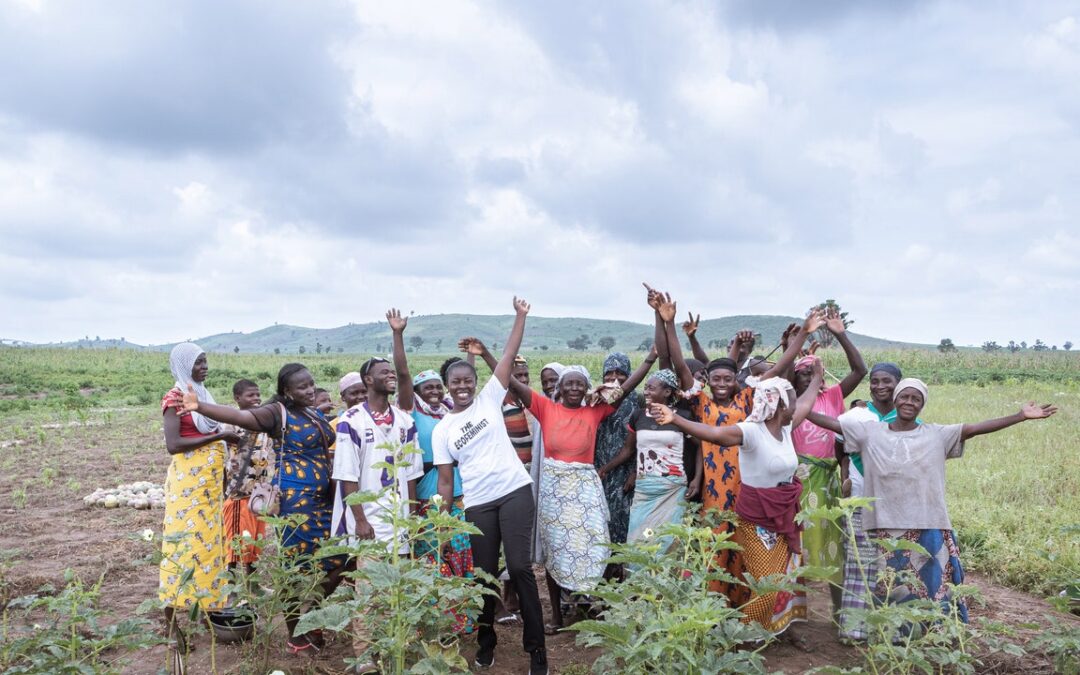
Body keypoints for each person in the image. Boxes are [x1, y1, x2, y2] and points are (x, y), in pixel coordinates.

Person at [807, 380, 1057, 628]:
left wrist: (1020, 416)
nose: (909, 402)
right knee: (891, 587)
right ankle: (894, 637)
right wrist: (800, 404)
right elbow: (829, 422)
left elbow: (975, 428)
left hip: (928, 523)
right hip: (885, 525)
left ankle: (928, 634)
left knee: (929, 586)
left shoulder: (937, 434)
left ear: (922, 405)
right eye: (905, 397)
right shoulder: (870, 433)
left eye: (916, 399)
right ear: (895, 400)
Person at [659, 290, 823, 602]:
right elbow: (680, 365)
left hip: (747, 486)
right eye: (716, 378)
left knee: (751, 549)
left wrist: (803, 332)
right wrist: (668, 324)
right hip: (716, 491)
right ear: (708, 379)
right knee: (718, 547)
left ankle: (752, 606)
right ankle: (717, 607)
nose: (721, 383)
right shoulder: (701, 403)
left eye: (728, 379)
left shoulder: (749, 401)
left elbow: (777, 370)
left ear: (737, 381)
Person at [650, 359, 825, 639]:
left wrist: (817, 377)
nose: (794, 404)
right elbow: (715, 435)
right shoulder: (751, 431)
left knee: (781, 579)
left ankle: (764, 633)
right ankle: (742, 638)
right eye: (789, 399)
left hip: (784, 514)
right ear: (776, 403)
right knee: (768, 583)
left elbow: (806, 402)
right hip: (757, 520)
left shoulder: (786, 429)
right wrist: (676, 419)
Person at [182, 362, 345, 655]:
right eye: (301, 387)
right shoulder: (276, 413)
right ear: (286, 391)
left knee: (341, 561)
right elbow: (241, 416)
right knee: (296, 572)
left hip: (324, 501)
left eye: (311, 384)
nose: (309, 390)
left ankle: (310, 618)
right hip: (297, 505)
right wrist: (201, 407)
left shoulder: (311, 411)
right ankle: (297, 635)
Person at [431, 297, 548, 675]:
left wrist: (519, 316)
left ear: (474, 382)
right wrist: (443, 522)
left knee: (519, 566)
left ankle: (537, 650)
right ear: (447, 386)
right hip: (478, 504)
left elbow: (509, 354)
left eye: (467, 381)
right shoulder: (443, 429)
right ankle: (486, 642)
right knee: (482, 574)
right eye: (455, 382)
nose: (462, 387)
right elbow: (446, 482)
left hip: (514, 490)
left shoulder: (489, 398)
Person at [506, 346, 655, 633]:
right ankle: (558, 616)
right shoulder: (544, 407)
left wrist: (649, 358)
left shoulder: (595, 411)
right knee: (554, 547)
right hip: (554, 490)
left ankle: (590, 604)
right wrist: (491, 354)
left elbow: (627, 387)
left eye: (579, 383)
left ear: (587, 388)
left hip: (585, 487)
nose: (573, 388)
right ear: (559, 388)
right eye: (568, 383)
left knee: (595, 543)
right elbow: (512, 382)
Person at [332, 309, 424, 671]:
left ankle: (395, 653)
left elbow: (413, 470)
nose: (391, 376)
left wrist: (414, 512)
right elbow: (346, 475)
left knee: (397, 592)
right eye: (382, 372)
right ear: (367, 379)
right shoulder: (351, 422)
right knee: (368, 594)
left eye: (391, 372)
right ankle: (366, 658)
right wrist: (360, 519)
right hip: (370, 523)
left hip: (399, 520)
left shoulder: (404, 420)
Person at [160, 343, 238, 658]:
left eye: (206, 361)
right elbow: (174, 444)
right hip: (187, 486)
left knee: (210, 550)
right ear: (183, 365)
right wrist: (218, 437)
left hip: (209, 485)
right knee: (181, 549)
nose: (204, 366)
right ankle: (169, 625)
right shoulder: (174, 399)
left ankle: (208, 613)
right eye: (198, 362)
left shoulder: (203, 396)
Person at [788, 308, 868, 615]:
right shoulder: (789, 401)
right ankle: (796, 614)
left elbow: (860, 371)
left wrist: (839, 333)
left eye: (814, 372)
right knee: (796, 548)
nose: (811, 377)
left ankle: (840, 613)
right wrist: (800, 337)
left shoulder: (833, 396)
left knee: (834, 550)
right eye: (804, 373)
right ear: (795, 377)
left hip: (828, 482)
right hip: (796, 483)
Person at [598, 367, 698, 556]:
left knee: (669, 539)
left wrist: (696, 479)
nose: (646, 392)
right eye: (646, 387)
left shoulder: (682, 417)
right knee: (638, 538)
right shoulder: (638, 416)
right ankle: (639, 583)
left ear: (667, 392)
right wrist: (605, 468)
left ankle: (665, 582)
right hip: (644, 487)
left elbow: (700, 446)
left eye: (652, 388)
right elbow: (629, 450)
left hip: (673, 487)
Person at [593, 352, 646, 547]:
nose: (614, 378)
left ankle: (621, 569)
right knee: (600, 520)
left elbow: (645, 439)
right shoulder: (596, 398)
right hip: (599, 470)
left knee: (624, 518)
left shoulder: (639, 400)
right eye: (609, 373)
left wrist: (635, 471)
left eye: (621, 373)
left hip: (626, 472)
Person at [222, 379, 270, 573]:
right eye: (251, 395)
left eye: (258, 395)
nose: (256, 399)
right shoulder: (232, 423)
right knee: (236, 542)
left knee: (254, 540)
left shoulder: (263, 422)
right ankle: (232, 585)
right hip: (238, 493)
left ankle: (252, 582)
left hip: (257, 492)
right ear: (237, 398)